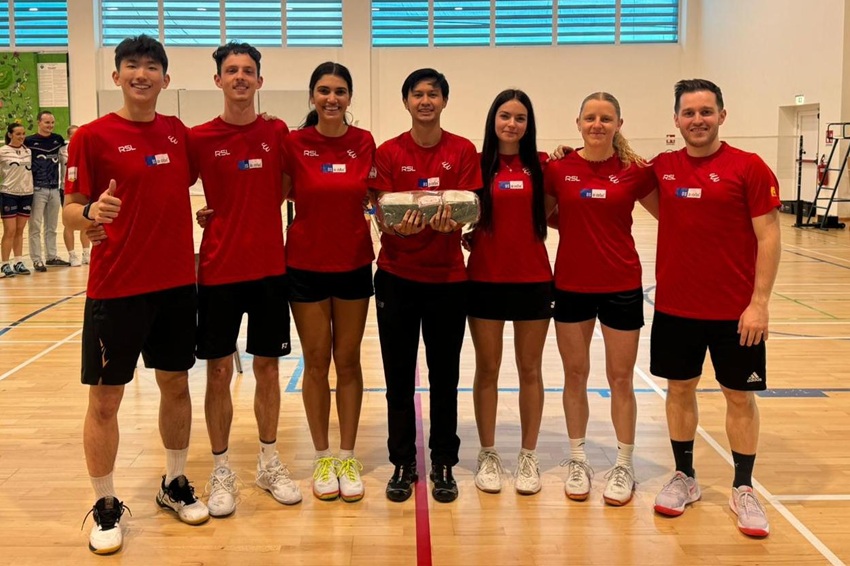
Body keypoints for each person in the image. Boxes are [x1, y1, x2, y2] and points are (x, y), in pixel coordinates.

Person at [64, 35, 209, 555]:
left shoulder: (178, 134)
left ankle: (174, 482)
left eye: (151, 67)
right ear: (117, 76)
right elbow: (71, 208)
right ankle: (105, 505)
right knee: (105, 401)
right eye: (132, 65)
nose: (141, 74)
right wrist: (89, 214)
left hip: (175, 286)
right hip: (116, 288)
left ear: (165, 80)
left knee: (176, 386)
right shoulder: (92, 137)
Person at [650, 79, 781, 538]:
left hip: (736, 314)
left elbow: (769, 237)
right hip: (675, 308)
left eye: (706, 111)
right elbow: (618, 175)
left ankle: (743, 487)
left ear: (722, 115)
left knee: (739, 396)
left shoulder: (749, 166)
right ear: (676, 120)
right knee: (679, 391)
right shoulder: (663, 167)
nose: (698, 120)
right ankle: (684, 476)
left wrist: (759, 304)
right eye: (689, 112)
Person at [191, 42, 301, 517]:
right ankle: (221, 469)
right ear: (218, 80)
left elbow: (290, 182)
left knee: (268, 369)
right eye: (231, 70)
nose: (240, 76)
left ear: (259, 80)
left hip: (270, 270)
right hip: (218, 270)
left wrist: (256, 207)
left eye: (248, 70)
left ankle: (269, 462)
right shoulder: (198, 137)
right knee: (218, 371)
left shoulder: (277, 131)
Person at [371, 68, 481, 503]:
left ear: (444, 101)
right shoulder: (388, 152)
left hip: (448, 281)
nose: (425, 101)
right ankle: (402, 462)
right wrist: (399, 229)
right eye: (417, 94)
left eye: (433, 94)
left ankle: (443, 462)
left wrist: (454, 223)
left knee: (445, 378)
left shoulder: (462, 150)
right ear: (406, 101)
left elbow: (470, 208)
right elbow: (382, 214)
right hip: (396, 279)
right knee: (398, 379)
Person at [544, 92, 657, 506]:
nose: (597, 125)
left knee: (621, 379)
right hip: (571, 285)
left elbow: (672, 215)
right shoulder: (559, 168)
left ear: (618, 125)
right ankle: (578, 460)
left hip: (621, 285)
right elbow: (542, 215)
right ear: (577, 123)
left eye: (605, 119)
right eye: (590, 118)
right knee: (575, 375)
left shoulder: (635, 171)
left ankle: (624, 464)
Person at [280, 61, 375, 503]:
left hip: (354, 263)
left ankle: (348, 456)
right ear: (312, 96)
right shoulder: (293, 143)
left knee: (348, 361)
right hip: (305, 266)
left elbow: (379, 195)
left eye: (339, 91)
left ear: (349, 97)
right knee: (316, 362)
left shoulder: (365, 142)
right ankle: (322, 457)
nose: (332, 98)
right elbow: (269, 193)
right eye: (324, 90)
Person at [465, 89, 551, 496]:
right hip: (485, 279)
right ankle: (488, 454)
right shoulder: (477, 164)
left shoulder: (544, 165)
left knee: (530, 370)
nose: (512, 124)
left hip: (533, 280)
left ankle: (528, 456)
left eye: (520, 117)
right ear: (493, 120)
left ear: (529, 124)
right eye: (505, 116)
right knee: (488, 369)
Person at [27, 110, 69, 271]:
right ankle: (37, 259)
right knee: (35, 226)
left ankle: (51, 256)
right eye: (46, 122)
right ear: (39, 122)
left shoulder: (58, 140)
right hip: (37, 189)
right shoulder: (29, 141)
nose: (50, 125)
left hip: (54, 188)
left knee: (51, 226)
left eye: (52, 123)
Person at [1, 123, 34, 277]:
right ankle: (4, 264)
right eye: (18, 134)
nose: (21, 137)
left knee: (20, 230)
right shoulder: (3, 151)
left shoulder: (28, 151)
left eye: (23, 134)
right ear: (10, 135)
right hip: (9, 194)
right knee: (10, 230)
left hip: (27, 194)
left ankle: (18, 262)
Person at [59, 124, 91, 266]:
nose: (77, 137)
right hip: (66, 189)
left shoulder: (86, 149)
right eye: (73, 135)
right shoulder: (62, 151)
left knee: (85, 221)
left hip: (83, 188)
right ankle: (72, 255)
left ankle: (86, 253)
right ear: (68, 136)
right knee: (69, 223)